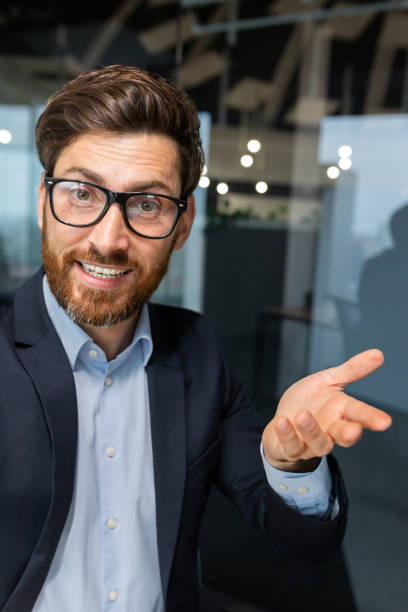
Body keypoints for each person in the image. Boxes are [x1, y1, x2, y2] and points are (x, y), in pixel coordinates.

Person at [0, 65, 391, 612]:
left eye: (147, 204)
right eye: (82, 194)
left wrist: (292, 462)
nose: (109, 240)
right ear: (44, 202)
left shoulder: (198, 350)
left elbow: (309, 540)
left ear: (182, 227)